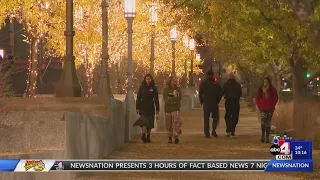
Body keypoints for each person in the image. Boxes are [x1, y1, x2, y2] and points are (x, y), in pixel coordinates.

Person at [136, 74, 160, 143]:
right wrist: (137, 107)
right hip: (143, 106)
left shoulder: (154, 88)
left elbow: (156, 99)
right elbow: (138, 97)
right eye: (147, 79)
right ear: (145, 79)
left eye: (149, 79)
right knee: (143, 122)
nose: (148, 80)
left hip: (150, 107)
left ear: (151, 79)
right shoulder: (142, 87)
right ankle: (143, 135)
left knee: (149, 123)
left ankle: (148, 136)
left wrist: (157, 109)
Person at [199, 70, 222, 138]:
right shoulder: (215, 83)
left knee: (206, 118)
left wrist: (202, 101)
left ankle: (207, 132)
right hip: (214, 102)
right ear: (212, 74)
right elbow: (220, 93)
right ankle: (213, 130)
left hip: (206, 102)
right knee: (216, 117)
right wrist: (217, 100)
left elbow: (200, 93)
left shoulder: (203, 83)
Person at [255, 77, 278, 143]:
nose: (265, 83)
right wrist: (259, 106)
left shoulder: (272, 90)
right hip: (263, 108)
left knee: (268, 122)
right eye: (264, 82)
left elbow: (275, 98)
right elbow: (257, 98)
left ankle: (267, 137)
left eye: (267, 82)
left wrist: (272, 105)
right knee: (263, 121)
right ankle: (263, 135)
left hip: (270, 108)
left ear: (269, 82)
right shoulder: (260, 89)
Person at [221, 73, 242, 138]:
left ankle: (229, 128)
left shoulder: (226, 84)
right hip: (235, 102)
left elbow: (222, 92)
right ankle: (232, 130)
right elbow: (240, 93)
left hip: (228, 102)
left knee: (227, 116)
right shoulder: (237, 85)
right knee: (235, 116)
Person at [163, 76, 182, 144]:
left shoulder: (178, 89)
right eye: (173, 80)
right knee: (169, 124)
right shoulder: (166, 89)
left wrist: (173, 98)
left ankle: (176, 136)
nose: (174, 81)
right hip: (168, 109)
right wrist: (174, 99)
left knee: (177, 123)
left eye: (175, 80)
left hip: (176, 109)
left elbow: (179, 98)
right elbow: (166, 99)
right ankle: (169, 137)